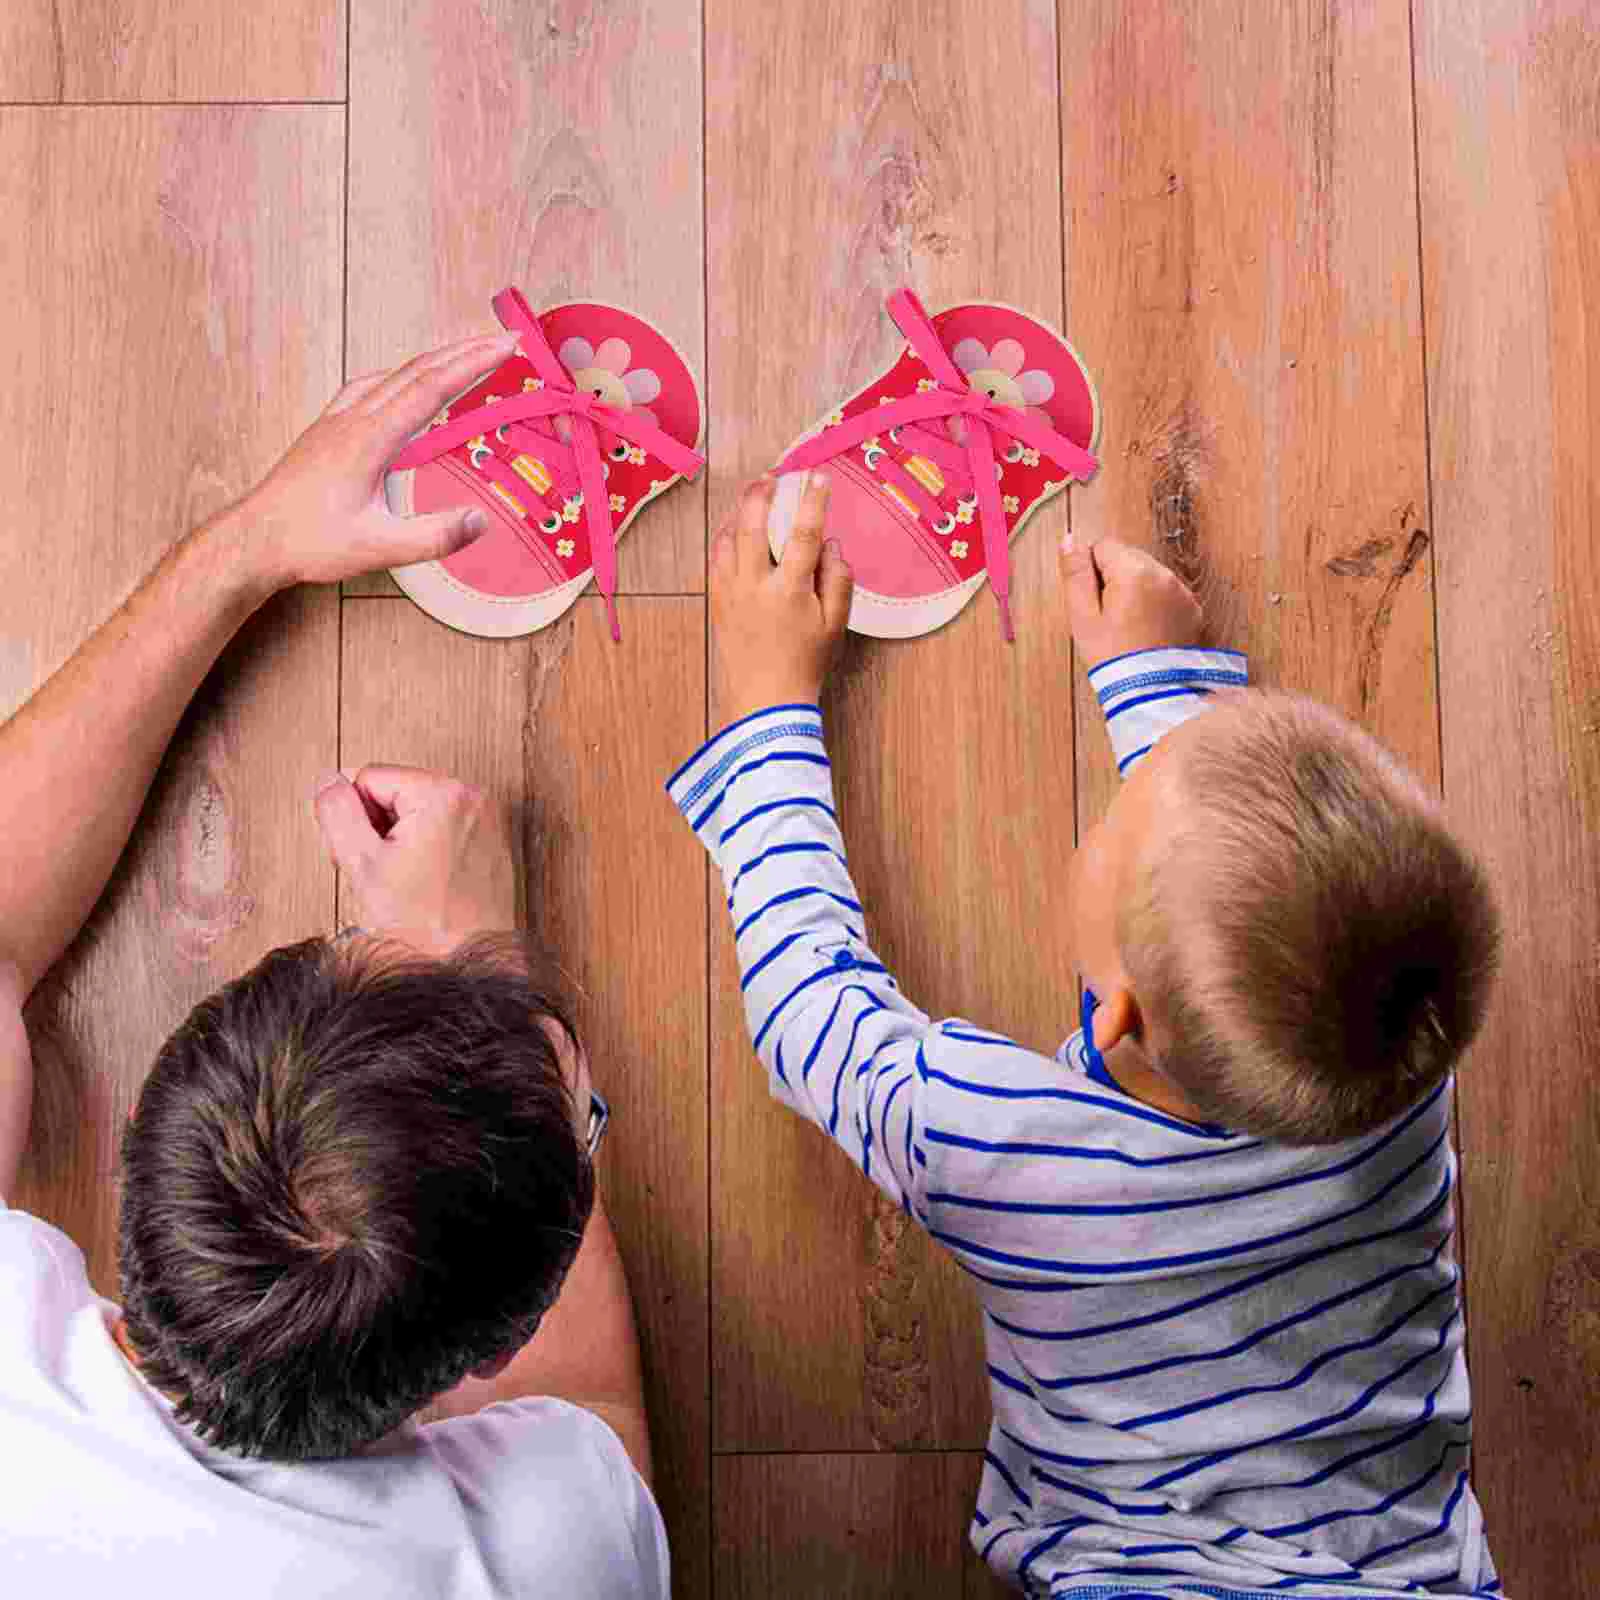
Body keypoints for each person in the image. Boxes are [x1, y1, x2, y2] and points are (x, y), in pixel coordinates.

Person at [672, 475, 1503, 1597]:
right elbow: (1265, 917)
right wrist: (1160, 688)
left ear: (1117, 1014)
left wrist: (767, 703)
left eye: (1119, 818)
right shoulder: (1400, 1053)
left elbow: (810, 1011)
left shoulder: (1001, 1154)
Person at [0, 335, 667, 1598]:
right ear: (494, 1351)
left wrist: (250, 547)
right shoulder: (539, 1562)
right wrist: (479, 961)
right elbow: (589, 1418)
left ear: (145, 1132)